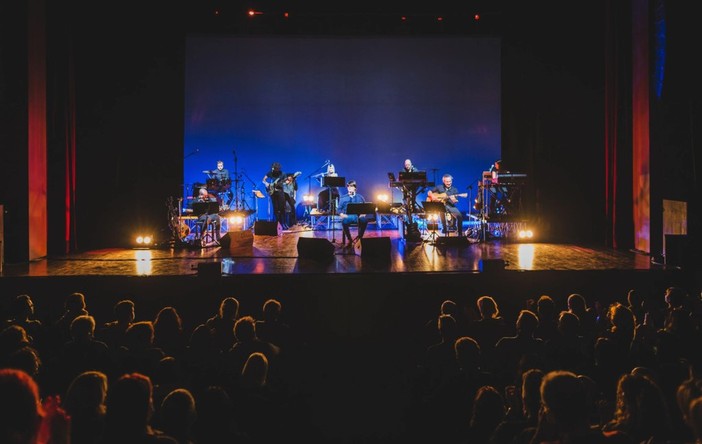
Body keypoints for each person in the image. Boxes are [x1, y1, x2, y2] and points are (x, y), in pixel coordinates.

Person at [337, 180, 369, 247]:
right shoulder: (343, 198)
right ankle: (350, 240)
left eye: (351, 186)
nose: (349, 187)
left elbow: (365, 208)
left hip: (358, 216)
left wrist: (363, 214)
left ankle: (359, 238)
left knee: (364, 220)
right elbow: (338, 210)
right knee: (344, 222)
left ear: (355, 188)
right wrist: (342, 214)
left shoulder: (360, 197)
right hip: (348, 216)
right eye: (348, 186)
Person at [262, 162, 287, 228]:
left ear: (278, 169)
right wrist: (266, 183)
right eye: (272, 169)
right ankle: (277, 224)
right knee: (275, 209)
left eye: (274, 169)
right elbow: (263, 180)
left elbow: (286, 182)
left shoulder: (283, 174)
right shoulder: (270, 173)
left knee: (282, 208)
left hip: (280, 192)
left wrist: (284, 183)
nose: (273, 170)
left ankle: (283, 223)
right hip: (273, 193)